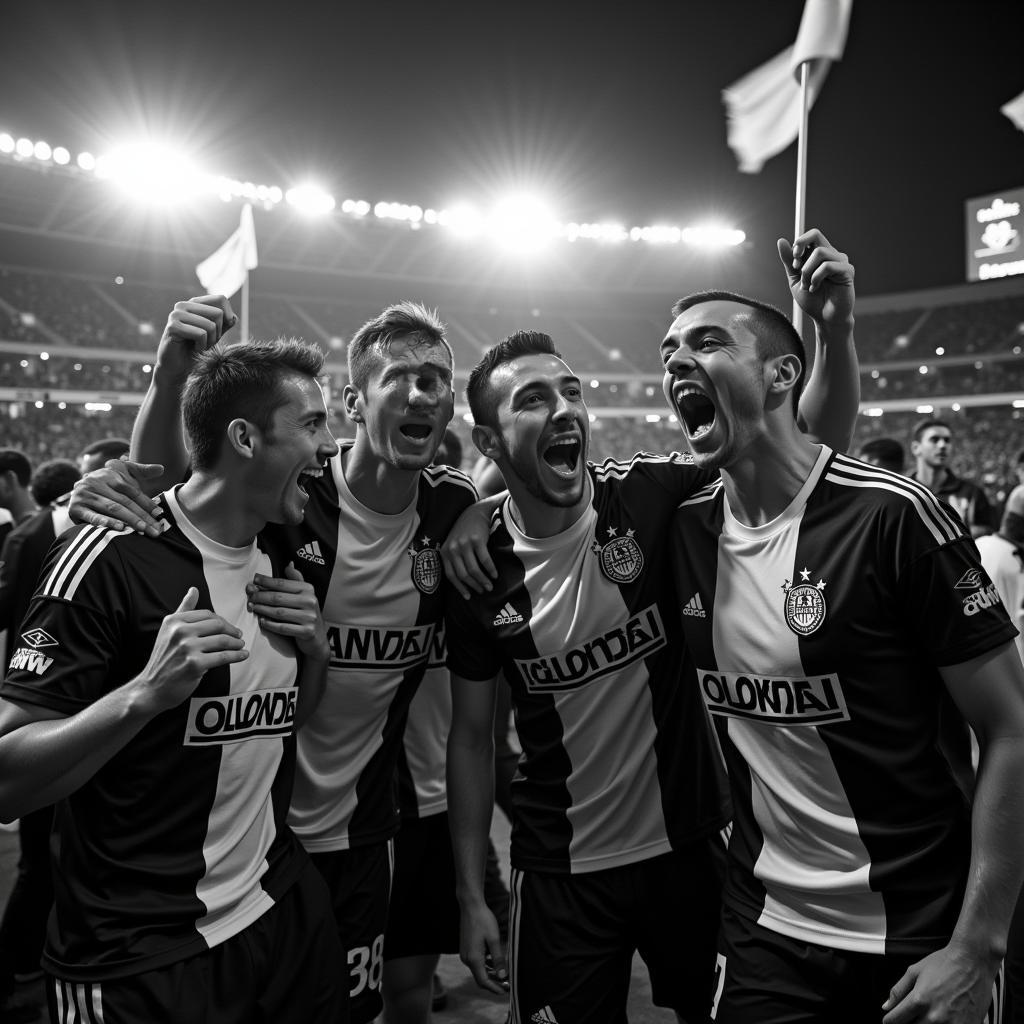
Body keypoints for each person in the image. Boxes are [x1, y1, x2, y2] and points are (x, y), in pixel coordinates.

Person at [442, 229, 860, 1024]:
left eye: (570, 392)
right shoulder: (476, 567)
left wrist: (832, 334)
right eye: (533, 401)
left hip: (693, 852)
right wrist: (471, 895)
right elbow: (470, 739)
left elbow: (807, 449)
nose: (564, 409)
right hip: (559, 871)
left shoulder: (655, 499)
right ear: (491, 443)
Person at [71, 297, 477, 1024]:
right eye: (402, 378)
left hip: (371, 822)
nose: (422, 394)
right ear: (353, 403)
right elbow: (184, 493)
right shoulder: (296, 497)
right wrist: (119, 478)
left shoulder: (456, 512)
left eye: (437, 382)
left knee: (377, 1002)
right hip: (256, 831)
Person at [662, 287, 1024, 1024]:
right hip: (766, 928)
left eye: (705, 343)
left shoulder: (893, 517)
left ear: (781, 375)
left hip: (921, 933)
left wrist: (979, 944)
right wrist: (473, 516)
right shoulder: (681, 530)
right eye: (667, 353)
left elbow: (1014, 729)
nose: (676, 363)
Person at [0, 332, 347, 1023]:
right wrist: (141, 697)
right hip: (137, 952)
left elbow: (285, 721)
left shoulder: (288, 550)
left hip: (276, 916)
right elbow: (6, 778)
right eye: (312, 424)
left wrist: (317, 651)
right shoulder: (109, 559)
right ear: (245, 438)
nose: (331, 445)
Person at [0, 459, 81, 1022]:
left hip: (62, 710)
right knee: (37, 857)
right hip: (41, 705)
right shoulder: (39, 538)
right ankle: (14, 970)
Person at [909, 418, 993, 537]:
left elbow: (985, 540)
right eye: (934, 439)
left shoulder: (972, 494)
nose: (943, 445)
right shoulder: (904, 493)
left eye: (947, 440)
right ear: (916, 448)